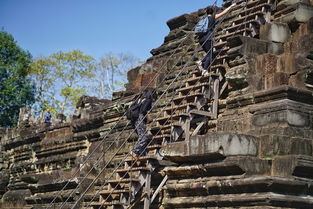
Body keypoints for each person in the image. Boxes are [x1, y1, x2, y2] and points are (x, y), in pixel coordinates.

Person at [196, 2, 237, 75]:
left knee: (209, 53)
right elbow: (224, 12)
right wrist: (231, 6)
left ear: (206, 13)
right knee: (210, 54)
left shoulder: (203, 20)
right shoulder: (212, 18)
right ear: (212, 12)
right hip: (208, 38)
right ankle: (205, 69)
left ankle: (201, 62)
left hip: (201, 39)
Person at [128, 89, 154, 159]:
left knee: (141, 136)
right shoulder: (147, 100)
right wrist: (147, 117)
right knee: (144, 137)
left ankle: (140, 153)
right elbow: (143, 110)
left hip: (134, 121)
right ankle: (135, 151)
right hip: (140, 119)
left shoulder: (137, 101)